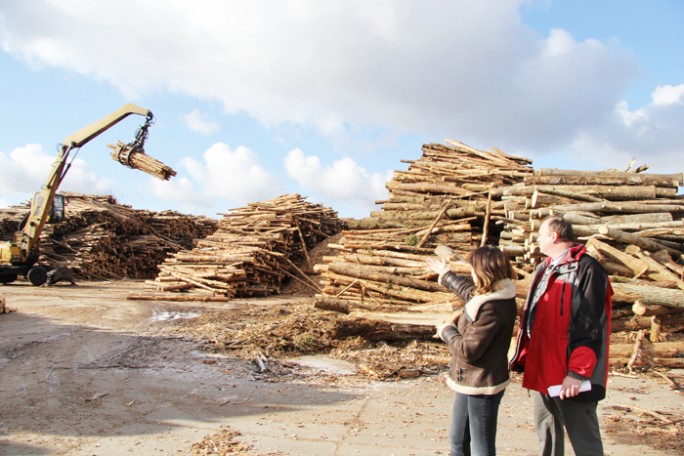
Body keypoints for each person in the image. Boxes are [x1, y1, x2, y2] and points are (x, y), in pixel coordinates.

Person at [510, 216, 613, 456]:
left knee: (584, 441)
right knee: (547, 434)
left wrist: (577, 373)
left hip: (571, 376)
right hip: (542, 370)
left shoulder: (587, 269)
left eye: (540, 234)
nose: (536, 239)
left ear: (554, 236)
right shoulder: (544, 268)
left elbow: (589, 326)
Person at [426, 245, 518, 456]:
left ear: (484, 273)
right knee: (458, 441)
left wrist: (447, 331)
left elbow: (468, 350)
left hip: (482, 384)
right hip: (470, 381)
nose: (472, 274)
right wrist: (446, 274)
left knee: (481, 449)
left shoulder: (494, 307)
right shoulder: (493, 295)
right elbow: (471, 295)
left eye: (473, 269)